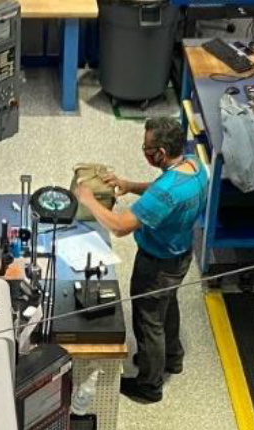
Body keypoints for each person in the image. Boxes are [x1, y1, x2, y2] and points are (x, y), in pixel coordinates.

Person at [73, 116, 208, 404]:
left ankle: (149, 384)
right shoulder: (194, 167)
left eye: (147, 147)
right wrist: (128, 185)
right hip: (181, 255)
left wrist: (89, 199)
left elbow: (121, 226)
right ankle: (173, 358)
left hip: (157, 263)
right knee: (166, 307)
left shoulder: (168, 191)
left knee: (149, 322)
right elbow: (163, 190)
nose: (144, 151)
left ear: (160, 152)